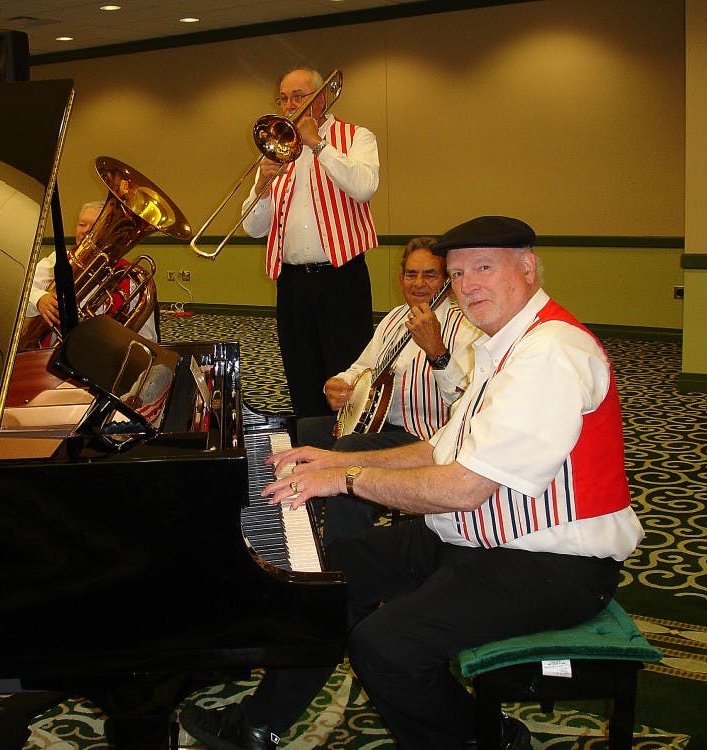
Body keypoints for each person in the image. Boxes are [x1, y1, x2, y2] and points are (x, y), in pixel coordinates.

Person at [180, 215, 645, 750]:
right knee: (330, 579)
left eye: (484, 268)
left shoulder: (551, 354)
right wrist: (330, 458)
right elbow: (439, 446)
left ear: (528, 268)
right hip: (479, 537)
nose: (468, 284)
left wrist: (347, 478)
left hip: (553, 563)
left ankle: (482, 738)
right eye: (459, 273)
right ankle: (258, 725)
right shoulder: (503, 345)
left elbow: (465, 487)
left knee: (386, 646)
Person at [297, 236, 481, 545]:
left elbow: (466, 402)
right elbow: (362, 368)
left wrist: (438, 352)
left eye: (430, 274)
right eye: (411, 274)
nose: (418, 283)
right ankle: (304, 525)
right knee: (304, 431)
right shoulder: (395, 318)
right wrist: (340, 383)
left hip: (428, 437)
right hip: (382, 424)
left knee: (347, 452)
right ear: (401, 278)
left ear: (448, 281)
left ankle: (348, 556)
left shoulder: (465, 327)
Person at [241, 67, 380, 418]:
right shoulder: (276, 148)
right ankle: (309, 448)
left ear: (320, 98)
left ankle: (346, 450)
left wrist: (318, 144)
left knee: (346, 373)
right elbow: (252, 227)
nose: (289, 105)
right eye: (284, 98)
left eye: (298, 97)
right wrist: (262, 187)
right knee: (300, 371)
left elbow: (364, 187)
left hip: (341, 277)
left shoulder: (356, 136)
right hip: (292, 281)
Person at [27, 200, 159, 343]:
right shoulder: (56, 261)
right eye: (82, 224)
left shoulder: (130, 277)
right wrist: (39, 299)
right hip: (47, 357)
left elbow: (147, 338)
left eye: (95, 226)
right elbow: (22, 290)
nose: (86, 230)